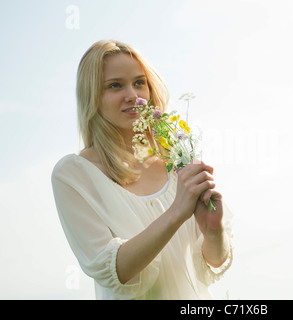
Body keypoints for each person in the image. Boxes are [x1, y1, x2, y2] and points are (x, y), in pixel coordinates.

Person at [51, 40, 233, 300]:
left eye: (139, 83)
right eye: (115, 85)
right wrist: (176, 213)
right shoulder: (73, 174)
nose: (133, 95)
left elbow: (213, 264)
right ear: (91, 95)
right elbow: (115, 271)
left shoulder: (176, 159)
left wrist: (214, 230)